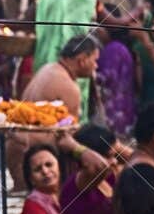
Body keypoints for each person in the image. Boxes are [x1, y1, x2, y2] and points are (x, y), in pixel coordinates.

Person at [6, 33, 102, 185]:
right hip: (35, 153)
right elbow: (66, 137)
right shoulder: (69, 87)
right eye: (95, 61)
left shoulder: (48, 68)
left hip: (14, 144)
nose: (96, 66)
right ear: (83, 59)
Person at [58, 123, 120, 214]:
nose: (115, 161)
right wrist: (74, 147)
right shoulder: (76, 184)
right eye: (108, 156)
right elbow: (100, 166)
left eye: (114, 156)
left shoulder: (109, 178)